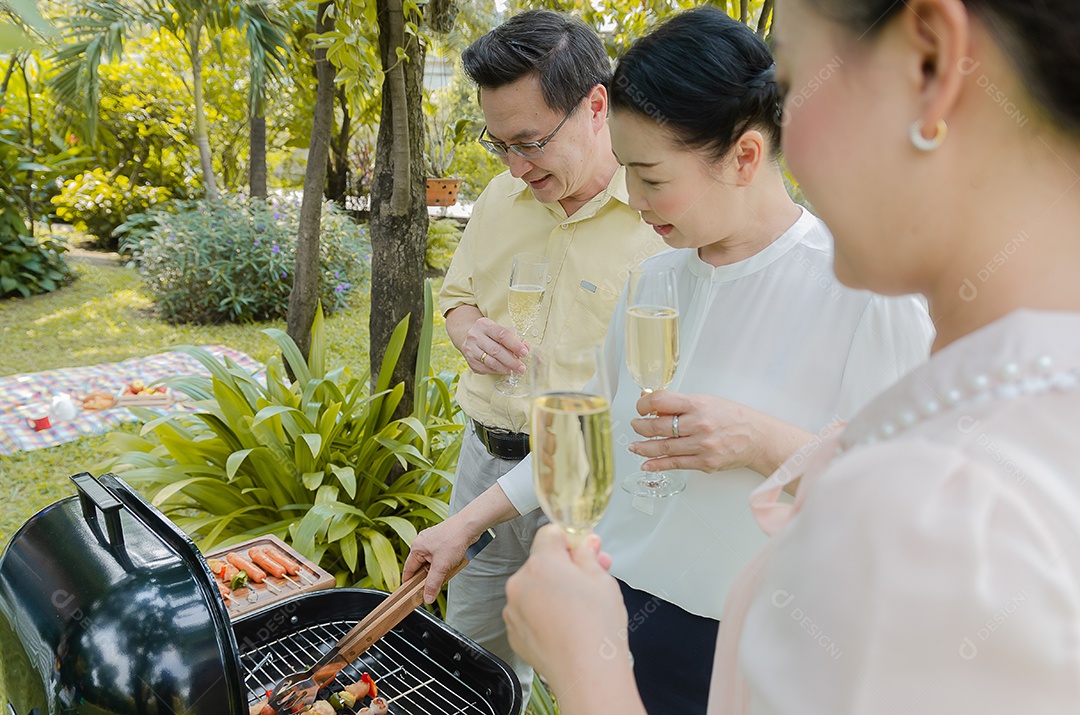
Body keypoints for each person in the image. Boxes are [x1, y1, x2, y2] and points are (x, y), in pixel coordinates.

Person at [504, 0, 1080, 713]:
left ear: (929, 64)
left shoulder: (947, 515)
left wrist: (587, 663)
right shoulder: (1016, 422)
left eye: (796, 82)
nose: (786, 145)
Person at [417, 8, 935, 714]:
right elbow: (583, 439)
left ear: (745, 157)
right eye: (627, 171)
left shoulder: (862, 290)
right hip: (612, 618)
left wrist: (760, 442)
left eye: (652, 177)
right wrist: (465, 523)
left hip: (752, 647)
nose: (632, 198)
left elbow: (907, 505)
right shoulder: (655, 281)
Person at [405, 9, 663, 705]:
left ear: (596, 105)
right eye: (501, 146)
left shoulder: (658, 220)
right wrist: (464, 330)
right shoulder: (499, 197)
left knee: (589, 668)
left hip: (589, 477)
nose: (517, 167)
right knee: (471, 658)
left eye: (531, 142)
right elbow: (457, 297)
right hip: (485, 455)